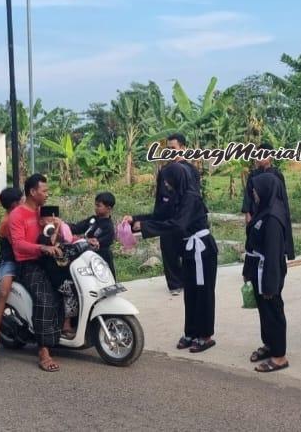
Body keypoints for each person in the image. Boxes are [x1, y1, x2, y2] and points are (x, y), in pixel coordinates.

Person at [126, 163, 219, 353]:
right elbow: (159, 216)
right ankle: (191, 332)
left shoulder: (191, 197)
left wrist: (143, 227)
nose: (166, 185)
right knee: (191, 293)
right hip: (189, 249)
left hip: (202, 249)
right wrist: (134, 219)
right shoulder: (176, 197)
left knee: (204, 294)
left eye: (168, 181)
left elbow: (178, 225)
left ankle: (206, 335)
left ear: (177, 179)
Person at [8, 174, 63, 372]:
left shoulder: (42, 213)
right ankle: (43, 351)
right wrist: (41, 248)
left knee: (65, 289)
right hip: (27, 264)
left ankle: (61, 332)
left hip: (44, 260)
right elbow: (18, 244)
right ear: (33, 192)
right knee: (45, 298)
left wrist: (54, 228)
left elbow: (50, 241)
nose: (47, 194)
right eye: (44, 191)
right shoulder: (18, 215)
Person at [243, 172, 294, 372]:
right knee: (264, 310)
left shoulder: (273, 217)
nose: (253, 194)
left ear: (266, 190)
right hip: (259, 268)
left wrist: (270, 284)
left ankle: (280, 356)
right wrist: (248, 269)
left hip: (269, 270)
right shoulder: (263, 210)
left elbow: (272, 254)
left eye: (255, 190)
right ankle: (270, 345)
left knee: (273, 310)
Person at [154, 133, 203, 296]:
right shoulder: (165, 170)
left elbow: (193, 197)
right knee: (168, 249)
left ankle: (189, 279)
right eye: (167, 149)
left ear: (183, 149)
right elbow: (159, 195)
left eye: (173, 148)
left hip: (185, 217)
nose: (170, 152)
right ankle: (175, 284)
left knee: (187, 249)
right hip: (167, 215)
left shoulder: (192, 170)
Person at [0, 186, 23, 354]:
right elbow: (18, 245)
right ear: (15, 204)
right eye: (21, 199)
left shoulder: (21, 214)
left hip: (23, 258)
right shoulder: (8, 222)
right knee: (4, 291)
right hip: (10, 261)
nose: (23, 202)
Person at [68, 191, 117, 278]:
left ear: (108, 208)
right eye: (95, 205)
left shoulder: (109, 227)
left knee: (105, 282)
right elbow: (77, 228)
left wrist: (92, 242)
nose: (96, 208)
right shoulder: (92, 220)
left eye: (99, 206)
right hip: (87, 257)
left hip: (101, 259)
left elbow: (97, 243)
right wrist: (63, 225)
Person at [241, 142, 288, 225]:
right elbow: (248, 195)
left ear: (270, 157)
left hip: (272, 214)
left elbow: (282, 197)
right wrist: (247, 214)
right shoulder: (253, 175)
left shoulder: (277, 175)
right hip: (255, 212)